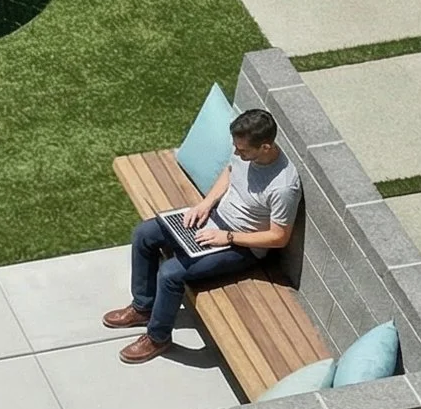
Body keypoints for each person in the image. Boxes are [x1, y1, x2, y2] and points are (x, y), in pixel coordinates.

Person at [106, 107, 300, 364]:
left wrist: (228, 237)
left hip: (241, 247)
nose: (237, 153)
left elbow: (278, 237)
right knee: (145, 234)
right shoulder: (245, 156)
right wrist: (205, 204)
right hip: (213, 220)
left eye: (243, 150)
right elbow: (230, 172)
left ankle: (158, 338)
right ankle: (143, 307)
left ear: (265, 147)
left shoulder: (284, 186)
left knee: (171, 274)